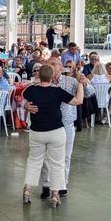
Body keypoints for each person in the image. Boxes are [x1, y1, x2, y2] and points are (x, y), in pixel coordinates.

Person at [21, 64, 83, 207]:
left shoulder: (31, 90)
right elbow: (78, 101)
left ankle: (27, 190)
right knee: (57, 163)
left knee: (34, 161)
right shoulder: (57, 92)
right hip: (55, 131)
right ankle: (55, 195)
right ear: (53, 77)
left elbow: (23, 94)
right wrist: (80, 84)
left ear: (39, 75)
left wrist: (35, 82)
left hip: (37, 131)